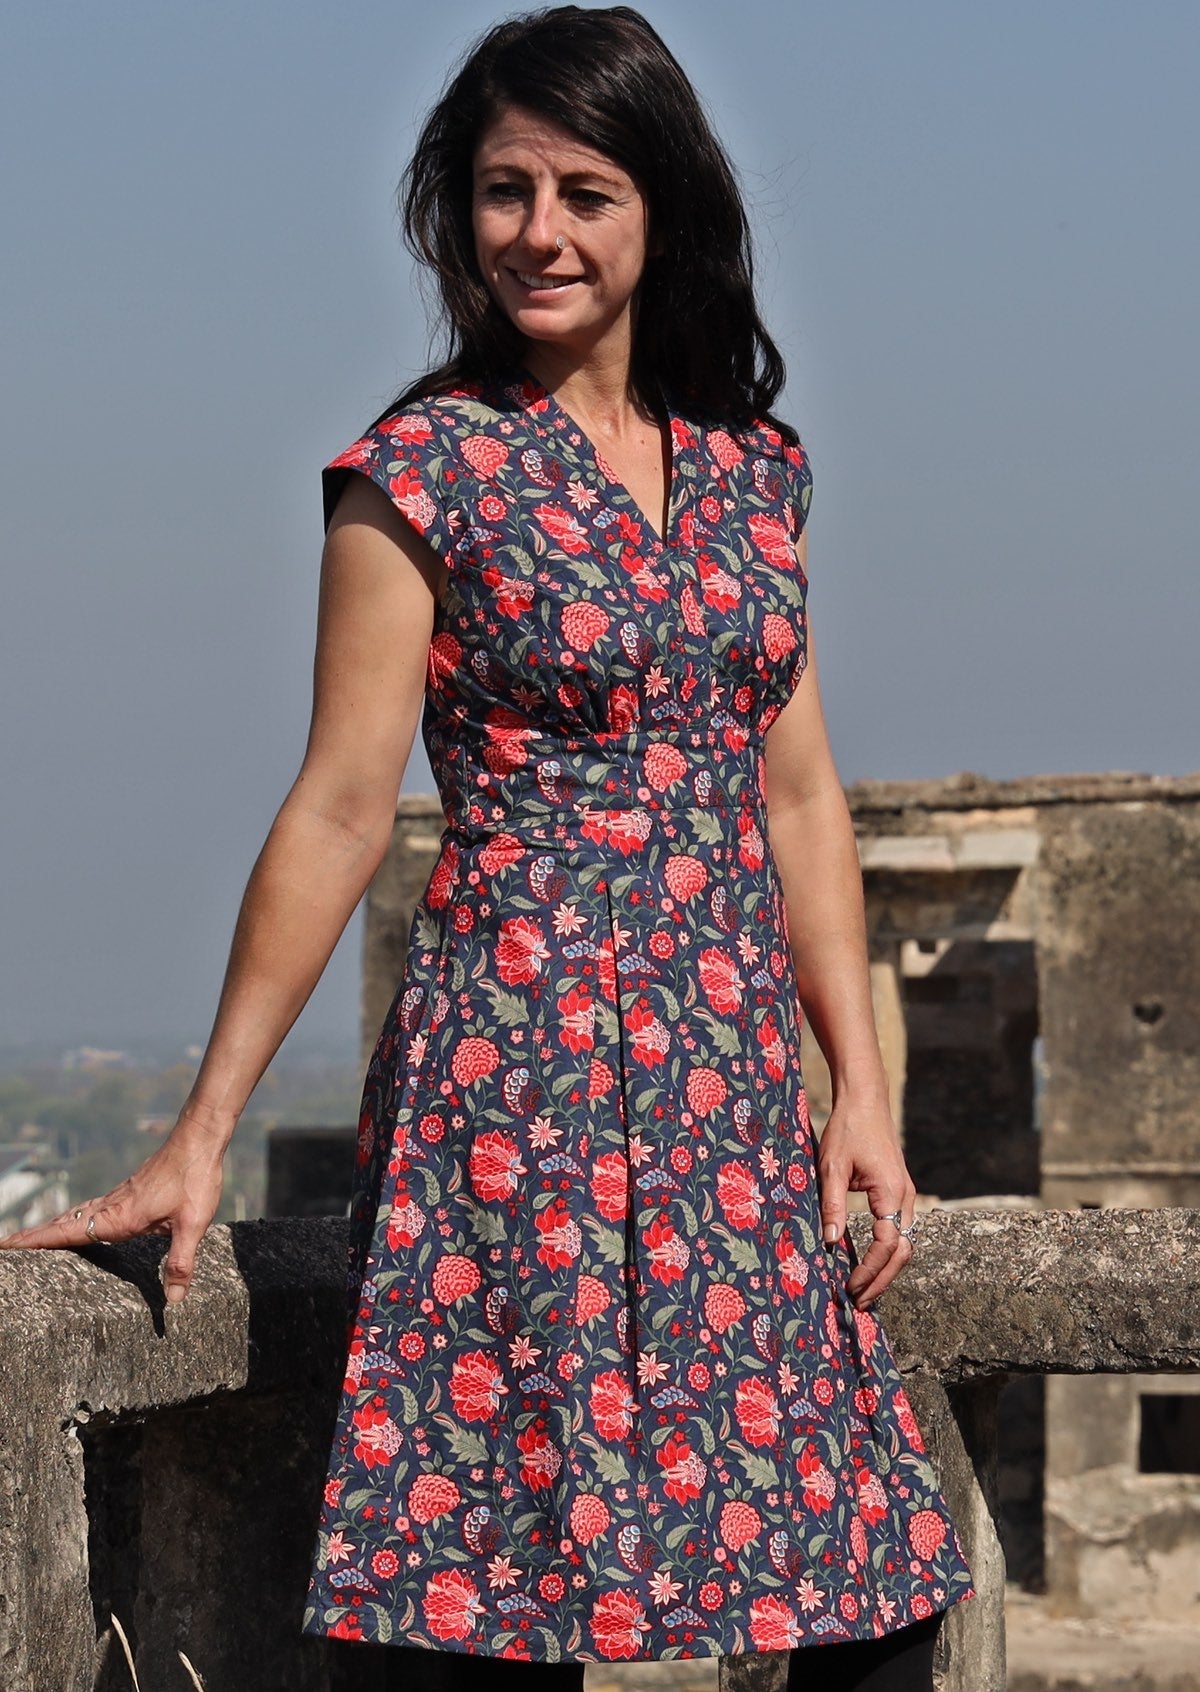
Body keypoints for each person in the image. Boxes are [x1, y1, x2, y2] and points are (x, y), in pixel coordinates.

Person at [3, 7, 976, 1687]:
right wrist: (201, 1130)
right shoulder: (421, 475)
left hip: (729, 1082)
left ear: (661, 206)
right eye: (502, 188)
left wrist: (864, 1095)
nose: (539, 229)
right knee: (487, 1559)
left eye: (584, 189)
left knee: (860, 1565)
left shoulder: (759, 478)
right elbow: (337, 805)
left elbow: (801, 797)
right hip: (513, 1070)